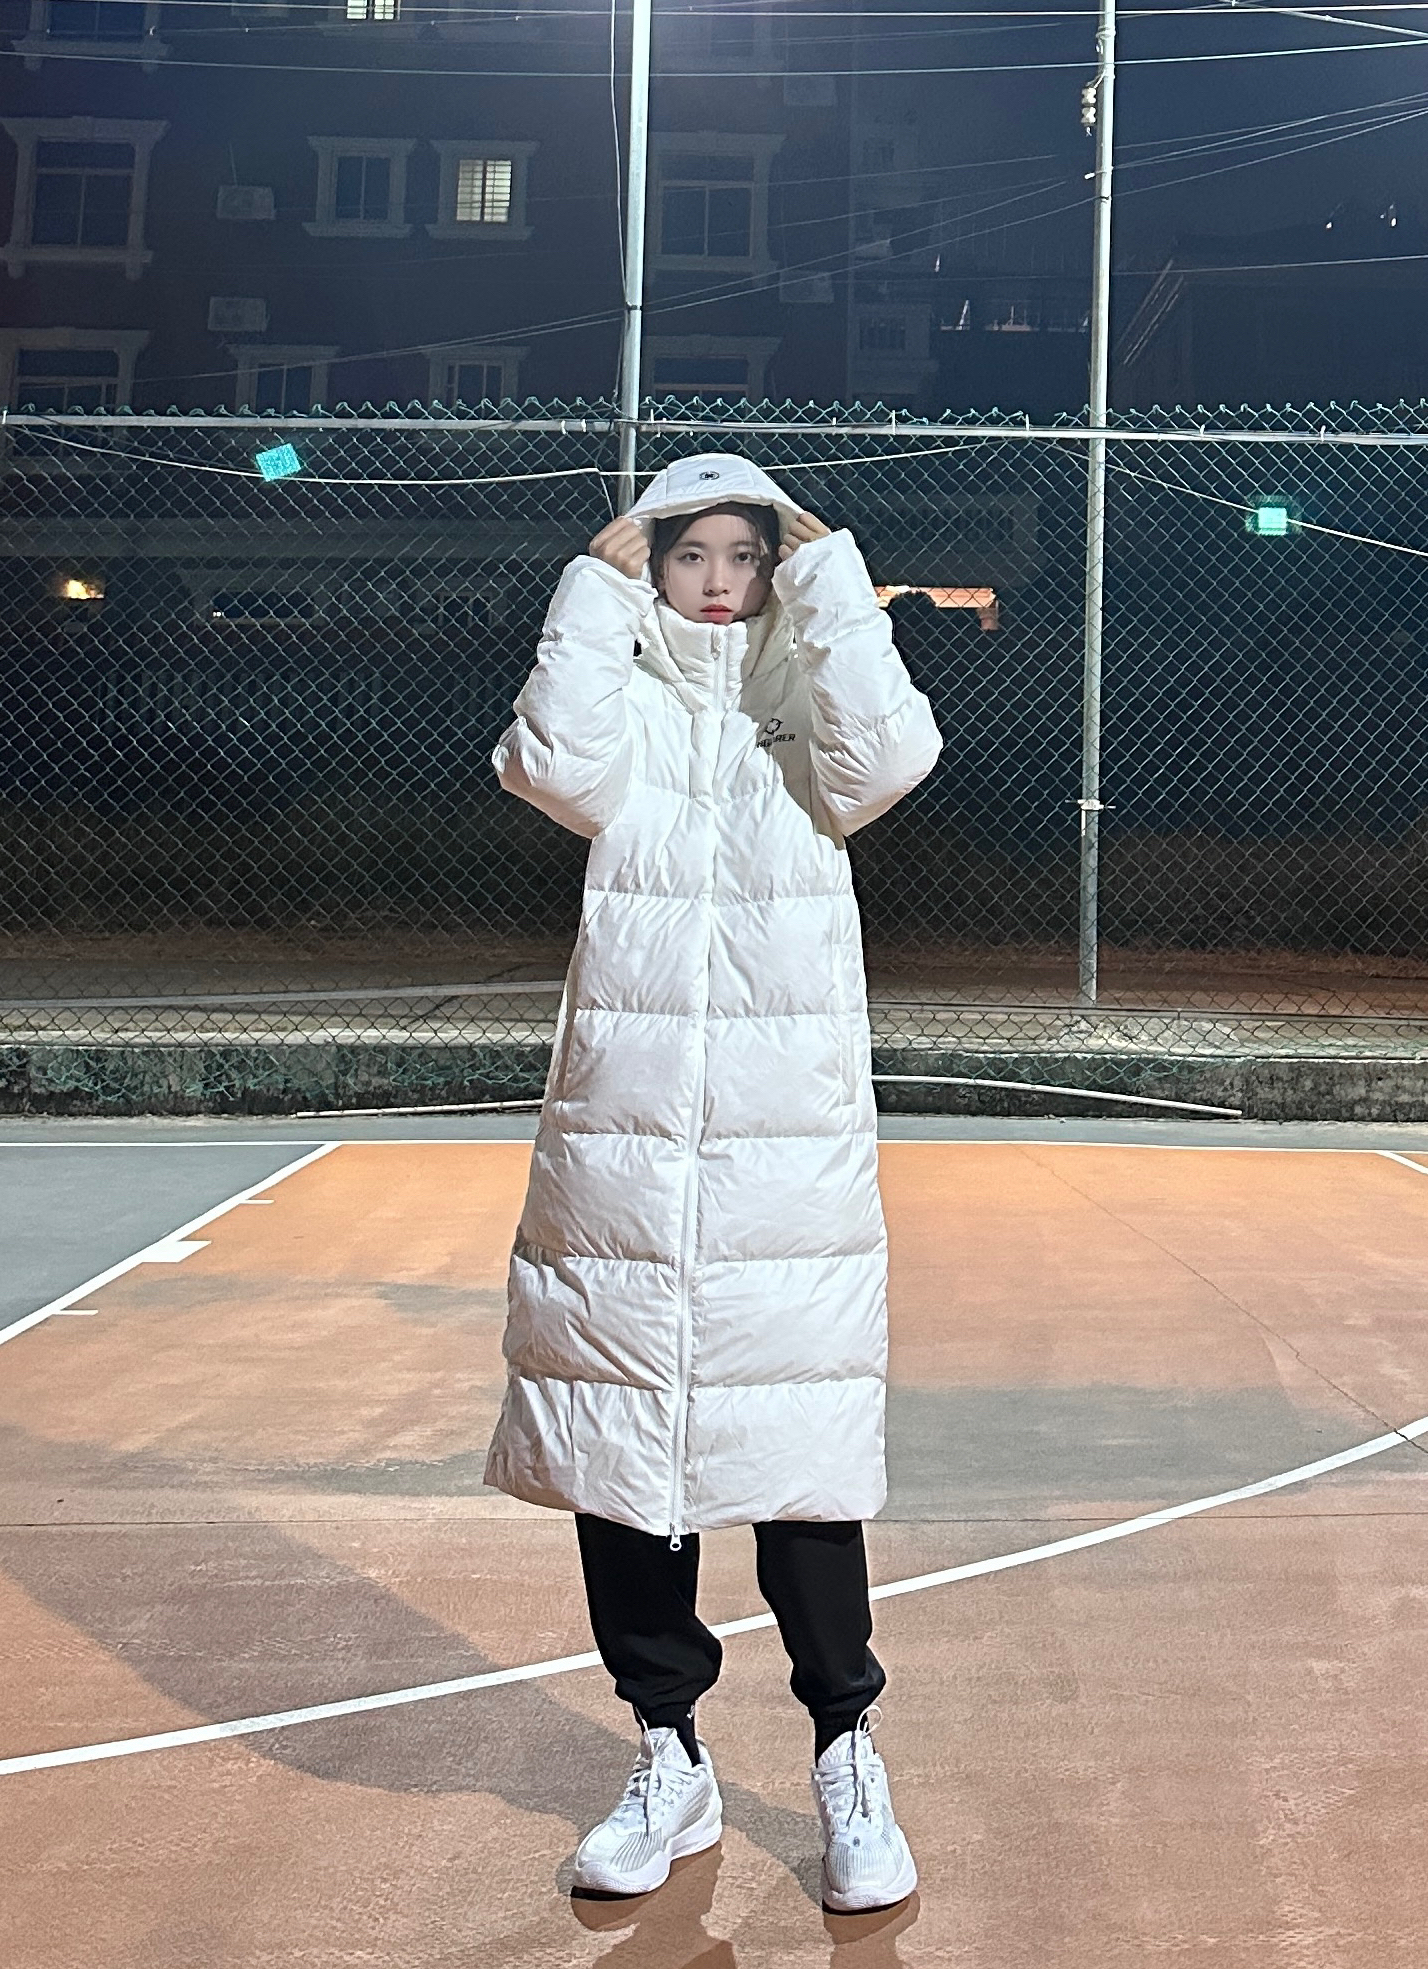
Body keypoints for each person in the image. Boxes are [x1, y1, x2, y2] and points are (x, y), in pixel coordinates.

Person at [485, 453, 942, 1913]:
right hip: (622, 1141)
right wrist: (589, 590)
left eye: (749, 554)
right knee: (624, 1449)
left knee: (797, 1449)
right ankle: (667, 1753)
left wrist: (832, 580)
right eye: (692, 554)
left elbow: (891, 762)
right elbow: (551, 767)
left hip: (780, 1144)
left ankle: (846, 1751)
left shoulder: (807, 697)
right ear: (653, 562)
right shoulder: (621, 697)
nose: (721, 580)